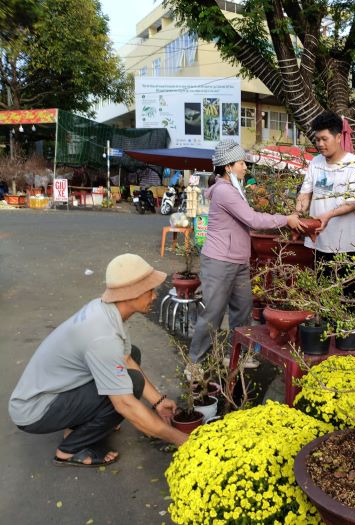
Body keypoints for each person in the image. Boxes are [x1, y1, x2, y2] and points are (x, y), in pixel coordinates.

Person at [9, 254, 188, 467]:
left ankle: (77, 425)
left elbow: (126, 358)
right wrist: (182, 440)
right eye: (150, 290)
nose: (155, 295)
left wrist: (158, 402)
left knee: (133, 356)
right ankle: (69, 449)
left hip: (54, 391)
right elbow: (125, 405)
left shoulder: (106, 310)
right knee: (131, 386)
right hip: (35, 410)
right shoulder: (102, 337)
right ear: (131, 294)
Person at [188, 141, 302, 364]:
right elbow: (252, 218)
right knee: (213, 314)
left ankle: (237, 357)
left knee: (242, 310)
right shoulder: (224, 191)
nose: (245, 167)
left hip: (238, 260)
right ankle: (195, 363)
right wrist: (286, 220)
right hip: (220, 261)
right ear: (228, 167)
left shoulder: (234, 189)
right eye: (241, 163)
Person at [296, 111, 355, 267]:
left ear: (338, 137)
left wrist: (328, 215)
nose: (320, 144)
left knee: (344, 289)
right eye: (317, 140)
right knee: (321, 285)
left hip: (344, 243)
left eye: (324, 139)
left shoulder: (354, 164)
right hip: (319, 238)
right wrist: (297, 213)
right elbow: (305, 194)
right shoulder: (315, 162)